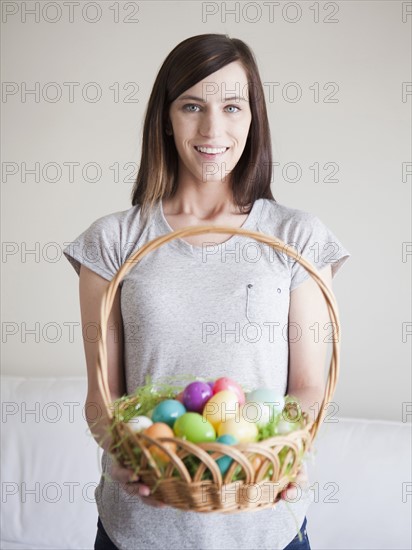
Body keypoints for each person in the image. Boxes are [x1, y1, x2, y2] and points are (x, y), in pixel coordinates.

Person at [63, 33, 350, 550]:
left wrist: (288, 450)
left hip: (265, 527)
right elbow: (102, 398)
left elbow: (308, 387)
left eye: (232, 107)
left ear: (252, 119)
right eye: (192, 106)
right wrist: (125, 456)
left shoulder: (296, 237)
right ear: (166, 119)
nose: (212, 129)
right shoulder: (112, 242)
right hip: (139, 528)